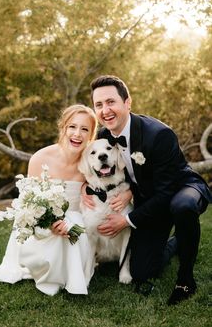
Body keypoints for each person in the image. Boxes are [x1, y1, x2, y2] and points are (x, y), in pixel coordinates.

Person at [83, 75, 212, 305]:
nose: (105, 110)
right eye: (99, 105)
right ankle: (176, 243)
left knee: (182, 206)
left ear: (127, 102)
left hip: (180, 188)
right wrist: (87, 187)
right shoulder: (104, 137)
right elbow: (102, 170)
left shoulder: (159, 135)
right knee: (142, 270)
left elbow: (166, 190)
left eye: (111, 102)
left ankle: (185, 280)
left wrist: (127, 220)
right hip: (148, 201)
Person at [0, 104, 98, 295]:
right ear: (63, 128)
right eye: (72, 127)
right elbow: (29, 204)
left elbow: (106, 187)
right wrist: (48, 223)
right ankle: (49, 271)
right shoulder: (41, 157)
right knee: (55, 238)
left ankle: (71, 275)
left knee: (74, 230)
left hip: (75, 219)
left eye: (85, 129)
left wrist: (87, 188)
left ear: (91, 135)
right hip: (39, 225)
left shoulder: (92, 162)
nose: (78, 134)